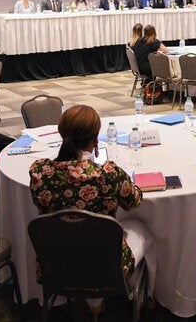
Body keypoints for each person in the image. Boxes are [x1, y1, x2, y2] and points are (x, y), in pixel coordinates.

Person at [29, 105, 151, 286]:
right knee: (142, 227)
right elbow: (134, 201)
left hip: (56, 261)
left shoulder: (39, 172)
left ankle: (90, 300)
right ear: (95, 139)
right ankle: (139, 292)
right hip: (105, 263)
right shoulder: (108, 174)